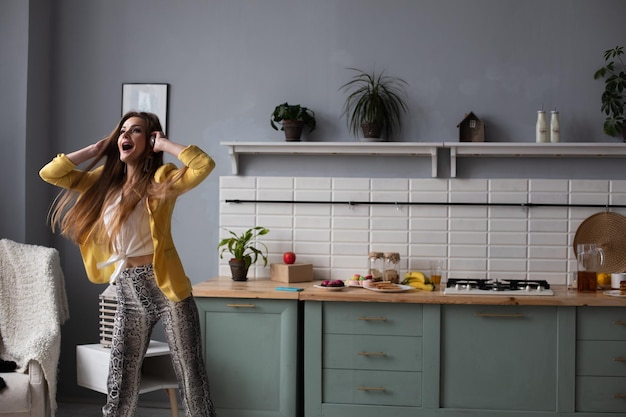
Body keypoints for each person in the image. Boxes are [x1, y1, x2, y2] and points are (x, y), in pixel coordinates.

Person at [39, 111, 217, 417]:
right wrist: (95, 150)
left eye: (135, 131)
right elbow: (51, 173)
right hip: (127, 289)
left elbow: (203, 165)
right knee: (121, 377)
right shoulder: (101, 183)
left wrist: (164, 144)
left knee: (190, 373)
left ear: (147, 142)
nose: (125, 135)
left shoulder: (162, 180)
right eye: (122, 130)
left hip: (167, 289)